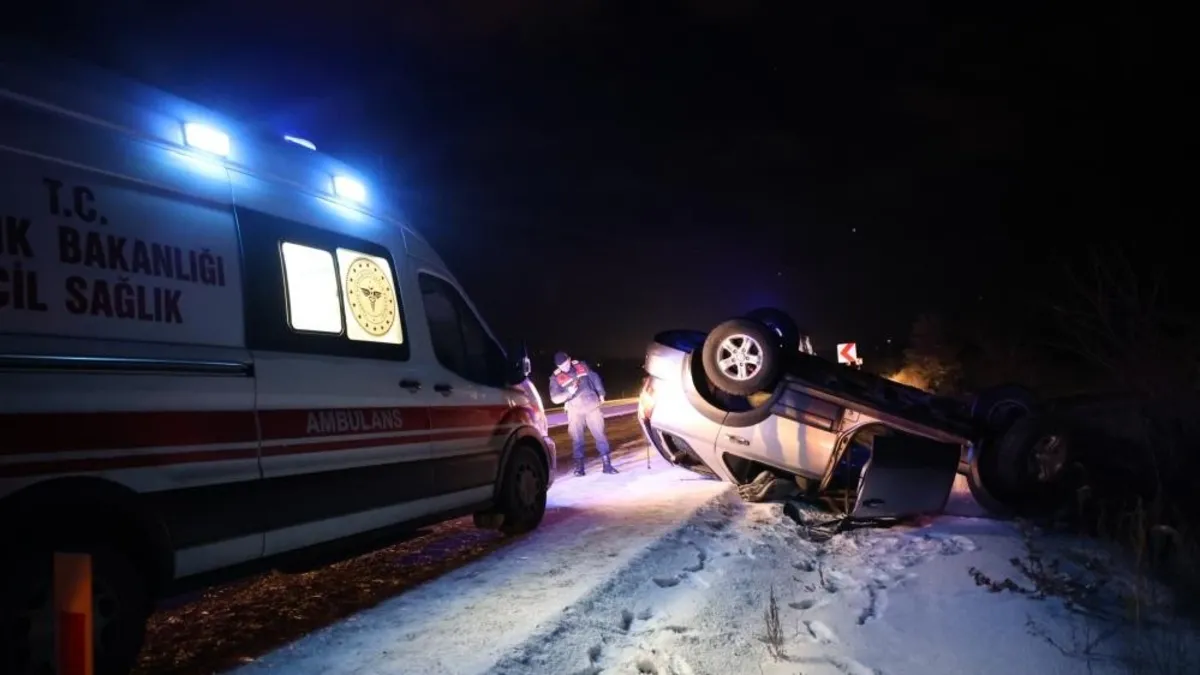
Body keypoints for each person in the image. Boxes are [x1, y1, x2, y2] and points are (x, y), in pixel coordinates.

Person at [548, 351, 616, 476]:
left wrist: (601, 393)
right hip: (575, 411)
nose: (564, 367)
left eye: (566, 363)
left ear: (569, 359)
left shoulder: (581, 365)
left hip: (591, 406)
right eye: (561, 366)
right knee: (577, 439)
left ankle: (607, 465)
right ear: (558, 366)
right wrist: (568, 393)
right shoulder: (555, 377)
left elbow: (594, 378)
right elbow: (555, 398)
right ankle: (579, 468)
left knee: (600, 435)